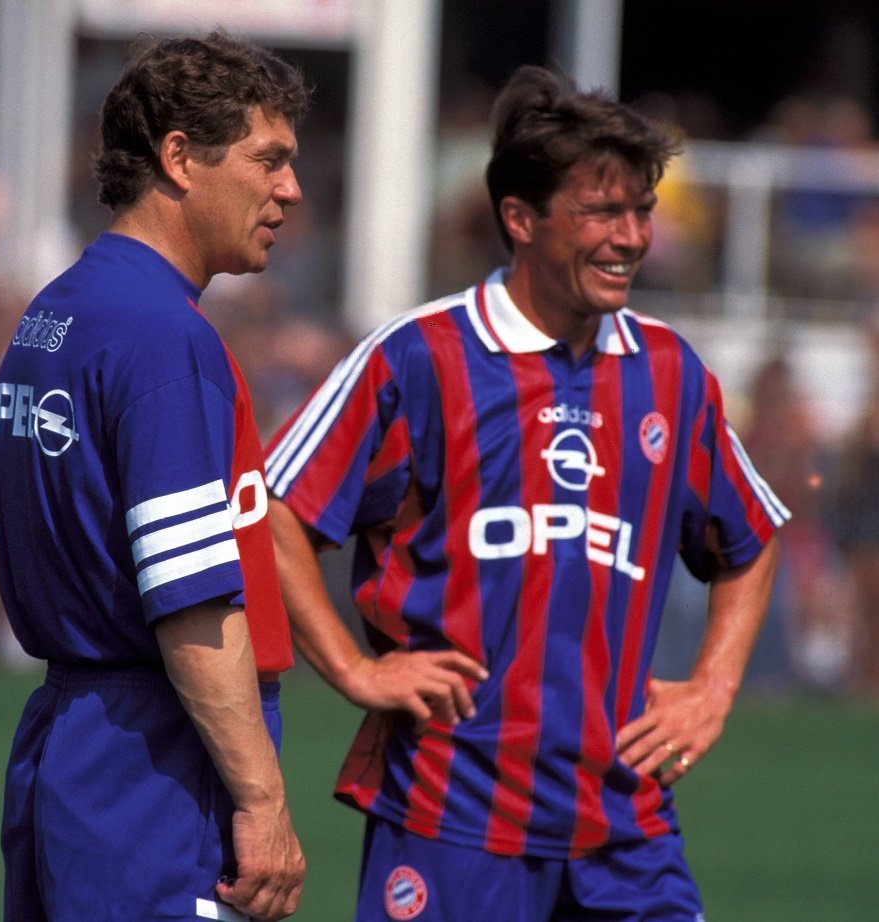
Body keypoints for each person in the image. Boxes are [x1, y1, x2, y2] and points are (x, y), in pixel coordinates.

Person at [265, 65, 788, 921]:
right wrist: (358, 670)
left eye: (641, 212)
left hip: (624, 824)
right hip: (452, 815)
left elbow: (751, 536)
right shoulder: (420, 357)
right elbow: (278, 511)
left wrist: (712, 688)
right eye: (600, 212)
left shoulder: (668, 374)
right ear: (520, 219)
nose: (630, 237)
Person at [0, 31, 308, 922]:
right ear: (179, 158)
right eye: (268, 160)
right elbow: (191, 603)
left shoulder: (54, 312)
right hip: (154, 764)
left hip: (68, 743)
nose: (288, 190)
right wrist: (263, 800)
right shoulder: (163, 336)